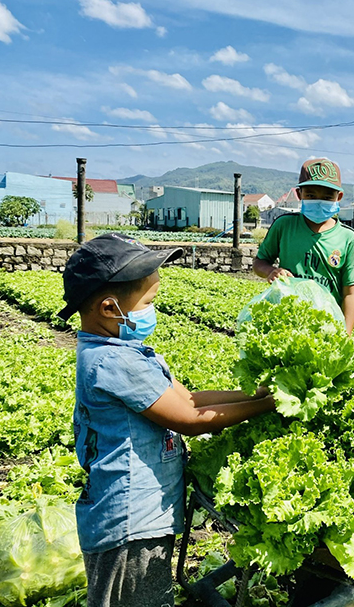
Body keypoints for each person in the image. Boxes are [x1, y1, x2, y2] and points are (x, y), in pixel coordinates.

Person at [58, 233, 275, 607]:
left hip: (141, 515)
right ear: (110, 308)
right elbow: (191, 418)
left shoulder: (127, 349)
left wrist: (254, 394)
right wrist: (273, 405)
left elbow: (189, 399)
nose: (151, 310)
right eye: (148, 302)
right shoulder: (113, 361)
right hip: (129, 523)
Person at [253, 158, 354, 333]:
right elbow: (259, 262)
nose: (319, 201)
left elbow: (350, 292)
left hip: (326, 326)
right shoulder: (284, 225)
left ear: (339, 197)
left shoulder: (348, 237)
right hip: (285, 320)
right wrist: (270, 271)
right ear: (299, 194)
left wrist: (346, 334)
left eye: (327, 197)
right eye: (311, 195)